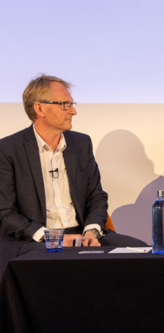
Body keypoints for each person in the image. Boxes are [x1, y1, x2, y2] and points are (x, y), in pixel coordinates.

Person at [0, 74, 147, 265]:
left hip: (81, 235)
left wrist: (91, 231)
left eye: (72, 104)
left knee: (142, 252)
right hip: (35, 240)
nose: (73, 111)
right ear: (39, 108)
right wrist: (54, 238)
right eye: (65, 104)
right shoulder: (8, 149)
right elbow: (5, 213)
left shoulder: (81, 144)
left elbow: (97, 197)